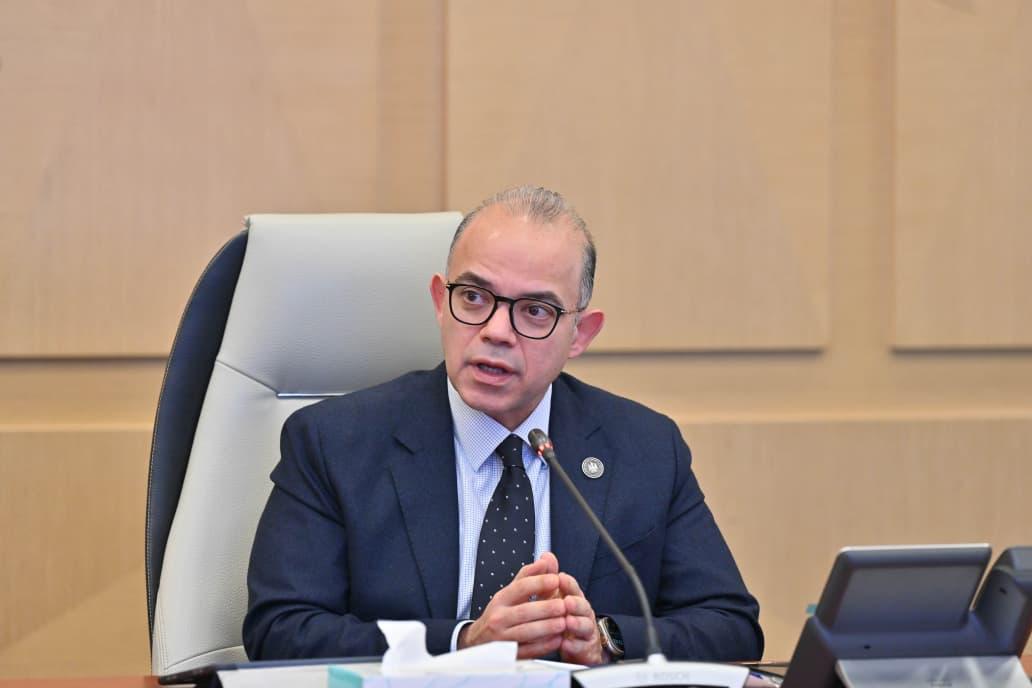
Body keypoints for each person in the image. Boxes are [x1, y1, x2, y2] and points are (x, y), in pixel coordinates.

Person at [243, 186, 763, 665]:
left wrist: (606, 637)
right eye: (473, 297)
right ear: (440, 302)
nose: (495, 331)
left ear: (580, 334)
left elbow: (730, 626)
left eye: (535, 310)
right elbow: (281, 630)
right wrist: (465, 642)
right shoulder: (334, 443)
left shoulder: (645, 448)